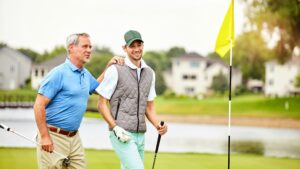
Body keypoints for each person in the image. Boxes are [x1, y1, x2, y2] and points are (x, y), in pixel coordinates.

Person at [34, 33, 123, 169]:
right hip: (53, 136)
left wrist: (109, 67)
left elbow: (96, 88)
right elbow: (38, 106)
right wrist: (45, 137)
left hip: (74, 138)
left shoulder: (85, 73)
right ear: (71, 48)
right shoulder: (58, 73)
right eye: (85, 46)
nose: (89, 50)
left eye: (90, 47)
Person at [97, 30, 168, 169]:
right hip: (121, 133)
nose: (136, 49)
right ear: (125, 48)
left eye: (139, 45)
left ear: (143, 45)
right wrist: (115, 127)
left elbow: (149, 107)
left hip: (140, 134)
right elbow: (101, 104)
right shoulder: (115, 70)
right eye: (132, 46)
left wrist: (158, 125)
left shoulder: (149, 73)